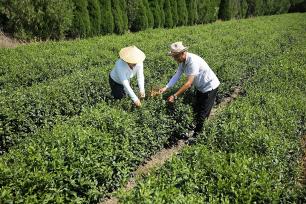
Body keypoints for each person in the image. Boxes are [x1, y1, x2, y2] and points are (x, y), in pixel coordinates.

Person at [159, 41, 220, 139]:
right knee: (196, 109)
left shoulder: (192, 61)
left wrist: (175, 96)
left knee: (202, 113)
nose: (174, 59)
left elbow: (189, 83)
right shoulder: (182, 62)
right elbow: (177, 75)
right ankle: (195, 129)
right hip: (200, 87)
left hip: (210, 87)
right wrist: (166, 87)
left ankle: (197, 137)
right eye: (173, 57)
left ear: (182, 53)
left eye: (176, 56)